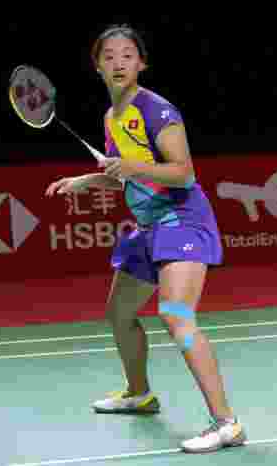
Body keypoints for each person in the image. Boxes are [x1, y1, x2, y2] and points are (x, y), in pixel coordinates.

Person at [45, 24, 245, 454]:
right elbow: (131, 180)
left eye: (127, 55)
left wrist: (130, 167)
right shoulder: (111, 118)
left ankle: (226, 422)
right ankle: (139, 393)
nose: (118, 62)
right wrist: (89, 180)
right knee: (119, 314)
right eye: (109, 56)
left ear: (141, 63)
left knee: (175, 315)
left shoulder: (157, 110)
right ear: (98, 67)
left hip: (183, 219)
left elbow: (182, 173)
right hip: (150, 226)